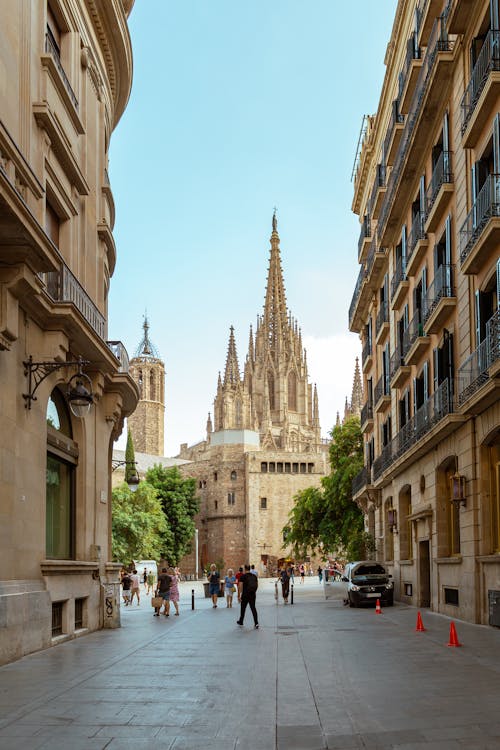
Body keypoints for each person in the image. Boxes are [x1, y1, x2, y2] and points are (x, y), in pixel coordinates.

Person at [237, 564, 259, 628]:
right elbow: (257, 585)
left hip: (245, 595)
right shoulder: (254, 576)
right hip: (252, 594)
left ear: (245, 569)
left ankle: (241, 621)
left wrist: (239, 596)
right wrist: (254, 592)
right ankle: (256, 623)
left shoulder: (243, 576)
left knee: (243, 608)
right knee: (253, 608)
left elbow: (240, 587)